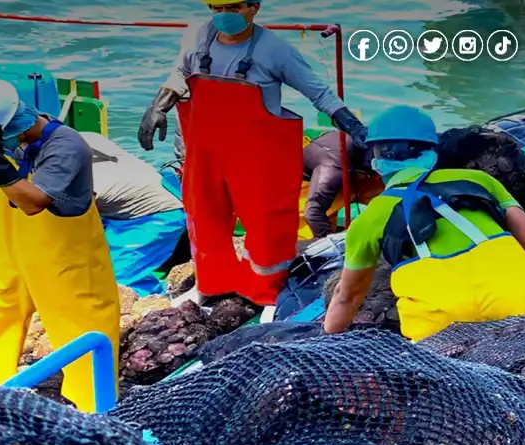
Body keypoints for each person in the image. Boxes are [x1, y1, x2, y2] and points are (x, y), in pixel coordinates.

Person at [137, 0, 369, 306]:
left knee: (267, 225)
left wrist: (354, 126)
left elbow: (319, 92)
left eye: (233, 7)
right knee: (203, 217)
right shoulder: (197, 37)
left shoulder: (274, 50)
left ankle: (264, 294)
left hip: (258, 158)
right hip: (205, 151)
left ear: (254, 7)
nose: (223, 16)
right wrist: (159, 106)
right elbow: (180, 72)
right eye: (216, 8)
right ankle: (212, 285)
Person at [323, 106, 525, 341]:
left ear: (377, 157)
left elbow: (348, 295)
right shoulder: (480, 180)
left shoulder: (368, 219)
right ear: (432, 150)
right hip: (522, 306)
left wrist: (326, 336)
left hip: (440, 328)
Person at [0, 80, 121, 413]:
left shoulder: (66, 145)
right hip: (9, 236)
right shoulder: (13, 137)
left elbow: (34, 203)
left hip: (63, 249)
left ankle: (94, 410)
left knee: (80, 321)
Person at [84, 132, 189, 296]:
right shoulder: (85, 137)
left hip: (157, 215)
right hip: (166, 190)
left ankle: (152, 302)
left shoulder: (73, 183)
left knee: (115, 281)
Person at [300, 130, 381, 239]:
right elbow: (313, 211)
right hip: (306, 185)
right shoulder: (332, 170)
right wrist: (330, 244)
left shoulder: (371, 137)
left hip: (353, 170)